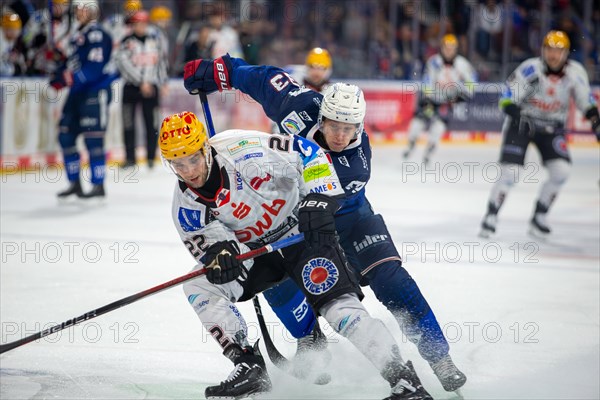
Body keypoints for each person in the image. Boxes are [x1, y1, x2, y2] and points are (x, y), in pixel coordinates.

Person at [183, 55, 467, 393]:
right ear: (321, 115)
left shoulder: (356, 165)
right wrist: (219, 72)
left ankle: (439, 358)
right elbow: (261, 78)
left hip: (347, 218)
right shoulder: (298, 105)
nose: (340, 135)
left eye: (350, 129)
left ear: (360, 127)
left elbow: (322, 205)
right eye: (334, 125)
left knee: (390, 279)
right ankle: (310, 338)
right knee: (274, 274)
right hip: (288, 213)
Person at [159, 111, 433, 400]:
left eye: (193, 158)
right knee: (197, 284)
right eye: (178, 164)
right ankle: (248, 365)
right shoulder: (186, 207)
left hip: (301, 232)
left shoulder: (242, 149)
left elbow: (309, 152)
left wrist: (320, 196)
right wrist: (219, 256)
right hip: (257, 251)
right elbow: (208, 245)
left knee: (339, 310)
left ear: (205, 149)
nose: (189, 171)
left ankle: (404, 379)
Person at [479, 30, 600, 238]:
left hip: (552, 128)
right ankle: (491, 215)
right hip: (522, 124)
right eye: (550, 50)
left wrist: (595, 121)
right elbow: (507, 96)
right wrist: (514, 111)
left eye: (558, 51)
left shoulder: (575, 73)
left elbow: (585, 100)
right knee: (510, 173)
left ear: (565, 54)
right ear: (543, 50)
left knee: (561, 171)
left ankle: (539, 216)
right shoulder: (530, 69)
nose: (553, 55)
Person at [52, 0, 114, 199]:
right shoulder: (76, 34)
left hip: (94, 93)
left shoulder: (98, 34)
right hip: (77, 94)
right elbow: (70, 63)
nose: (79, 12)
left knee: (93, 140)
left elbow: (94, 68)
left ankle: (98, 185)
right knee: (65, 136)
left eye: (83, 8)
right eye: (77, 8)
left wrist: (70, 78)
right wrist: (58, 75)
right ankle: (74, 182)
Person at [403, 34, 477, 165]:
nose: (449, 51)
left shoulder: (463, 64)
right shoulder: (434, 62)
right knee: (417, 123)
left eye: (452, 48)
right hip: (430, 99)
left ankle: (429, 152)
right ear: (441, 48)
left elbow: (472, 83)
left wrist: (461, 97)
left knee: (438, 128)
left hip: (447, 102)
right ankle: (411, 144)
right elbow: (427, 81)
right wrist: (428, 98)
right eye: (446, 48)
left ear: (456, 49)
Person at [115, 10, 168, 169]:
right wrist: (141, 82)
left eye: (144, 23)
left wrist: (163, 81)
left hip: (151, 88)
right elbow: (123, 64)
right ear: (133, 25)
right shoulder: (126, 42)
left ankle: (151, 157)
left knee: (151, 123)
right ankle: (130, 158)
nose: (141, 26)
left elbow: (161, 63)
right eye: (137, 23)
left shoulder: (155, 41)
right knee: (128, 123)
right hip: (131, 88)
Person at [20, 0, 72, 76]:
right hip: (38, 69)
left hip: (61, 71)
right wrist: (34, 40)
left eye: (63, 5)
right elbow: (24, 38)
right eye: (56, 4)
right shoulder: (39, 17)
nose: (59, 8)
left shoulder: (72, 23)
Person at [0, 12, 26, 76]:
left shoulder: (10, 39)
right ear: (6, 29)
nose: (17, 32)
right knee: (9, 69)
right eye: (15, 29)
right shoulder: (1, 38)